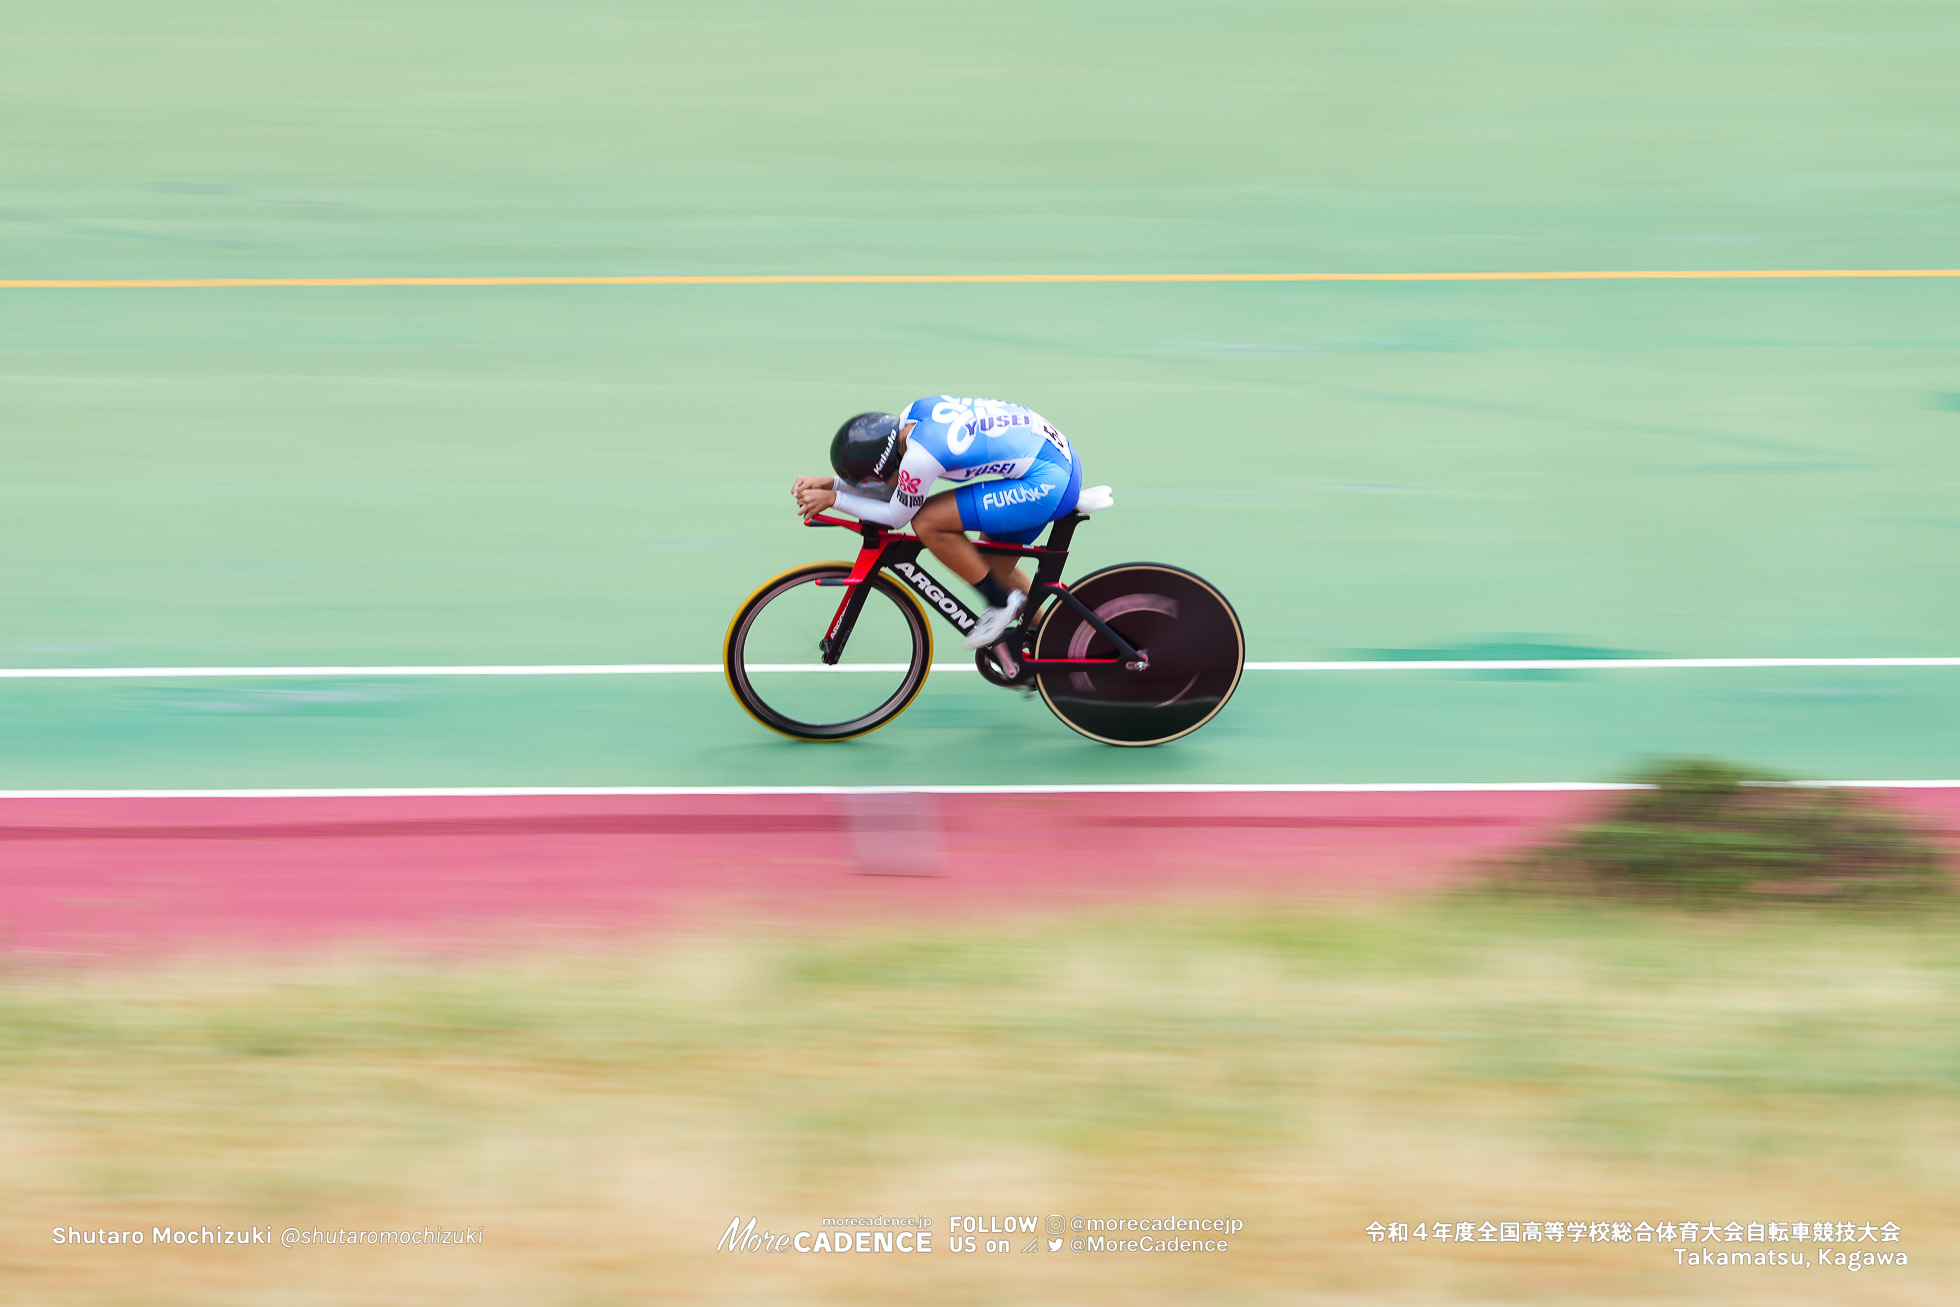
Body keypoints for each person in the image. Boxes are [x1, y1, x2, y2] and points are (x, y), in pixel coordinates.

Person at [791, 396, 1083, 653]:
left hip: (1046, 482)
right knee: (991, 567)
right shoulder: (912, 416)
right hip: (1057, 458)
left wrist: (835, 499)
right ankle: (1060, 639)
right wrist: (833, 484)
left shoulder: (920, 458)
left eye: (872, 480)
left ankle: (1001, 602)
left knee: (928, 521)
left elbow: (897, 515)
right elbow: (896, 485)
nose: (874, 485)